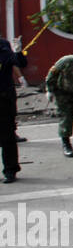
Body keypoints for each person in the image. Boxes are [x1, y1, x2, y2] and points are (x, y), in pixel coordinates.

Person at [44, 53, 73, 158]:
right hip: (62, 92)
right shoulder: (67, 61)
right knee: (66, 118)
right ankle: (66, 145)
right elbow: (52, 73)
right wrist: (49, 90)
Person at [0, 39, 28, 182]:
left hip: (4, 98)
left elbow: (20, 63)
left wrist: (18, 51)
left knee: (7, 136)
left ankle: (10, 170)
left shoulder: (4, 47)